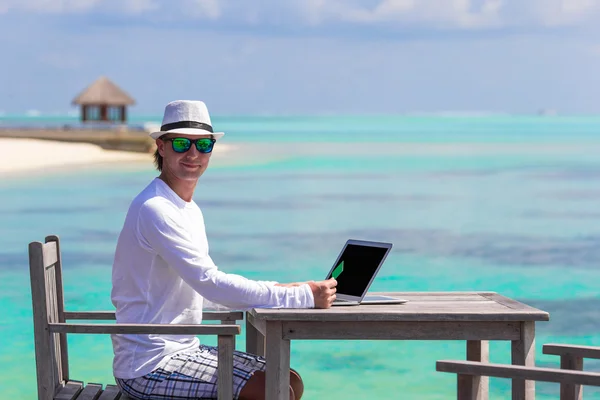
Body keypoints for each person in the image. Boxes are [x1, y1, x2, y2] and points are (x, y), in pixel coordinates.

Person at [111, 100, 337, 400]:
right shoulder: (156, 209)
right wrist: (301, 296)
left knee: (289, 381)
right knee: (271, 389)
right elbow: (211, 283)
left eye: (203, 144)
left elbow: (202, 291)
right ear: (162, 147)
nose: (193, 154)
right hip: (147, 366)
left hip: (182, 349)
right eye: (182, 143)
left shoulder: (185, 208)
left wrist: (280, 289)